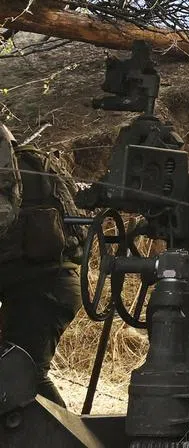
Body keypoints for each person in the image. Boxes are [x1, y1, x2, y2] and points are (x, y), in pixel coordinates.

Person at [0, 124, 83, 407]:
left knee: (25, 376)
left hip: (44, 289)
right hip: (50, 286)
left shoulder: (10, 180)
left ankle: (71, 438)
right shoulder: (28, 167)